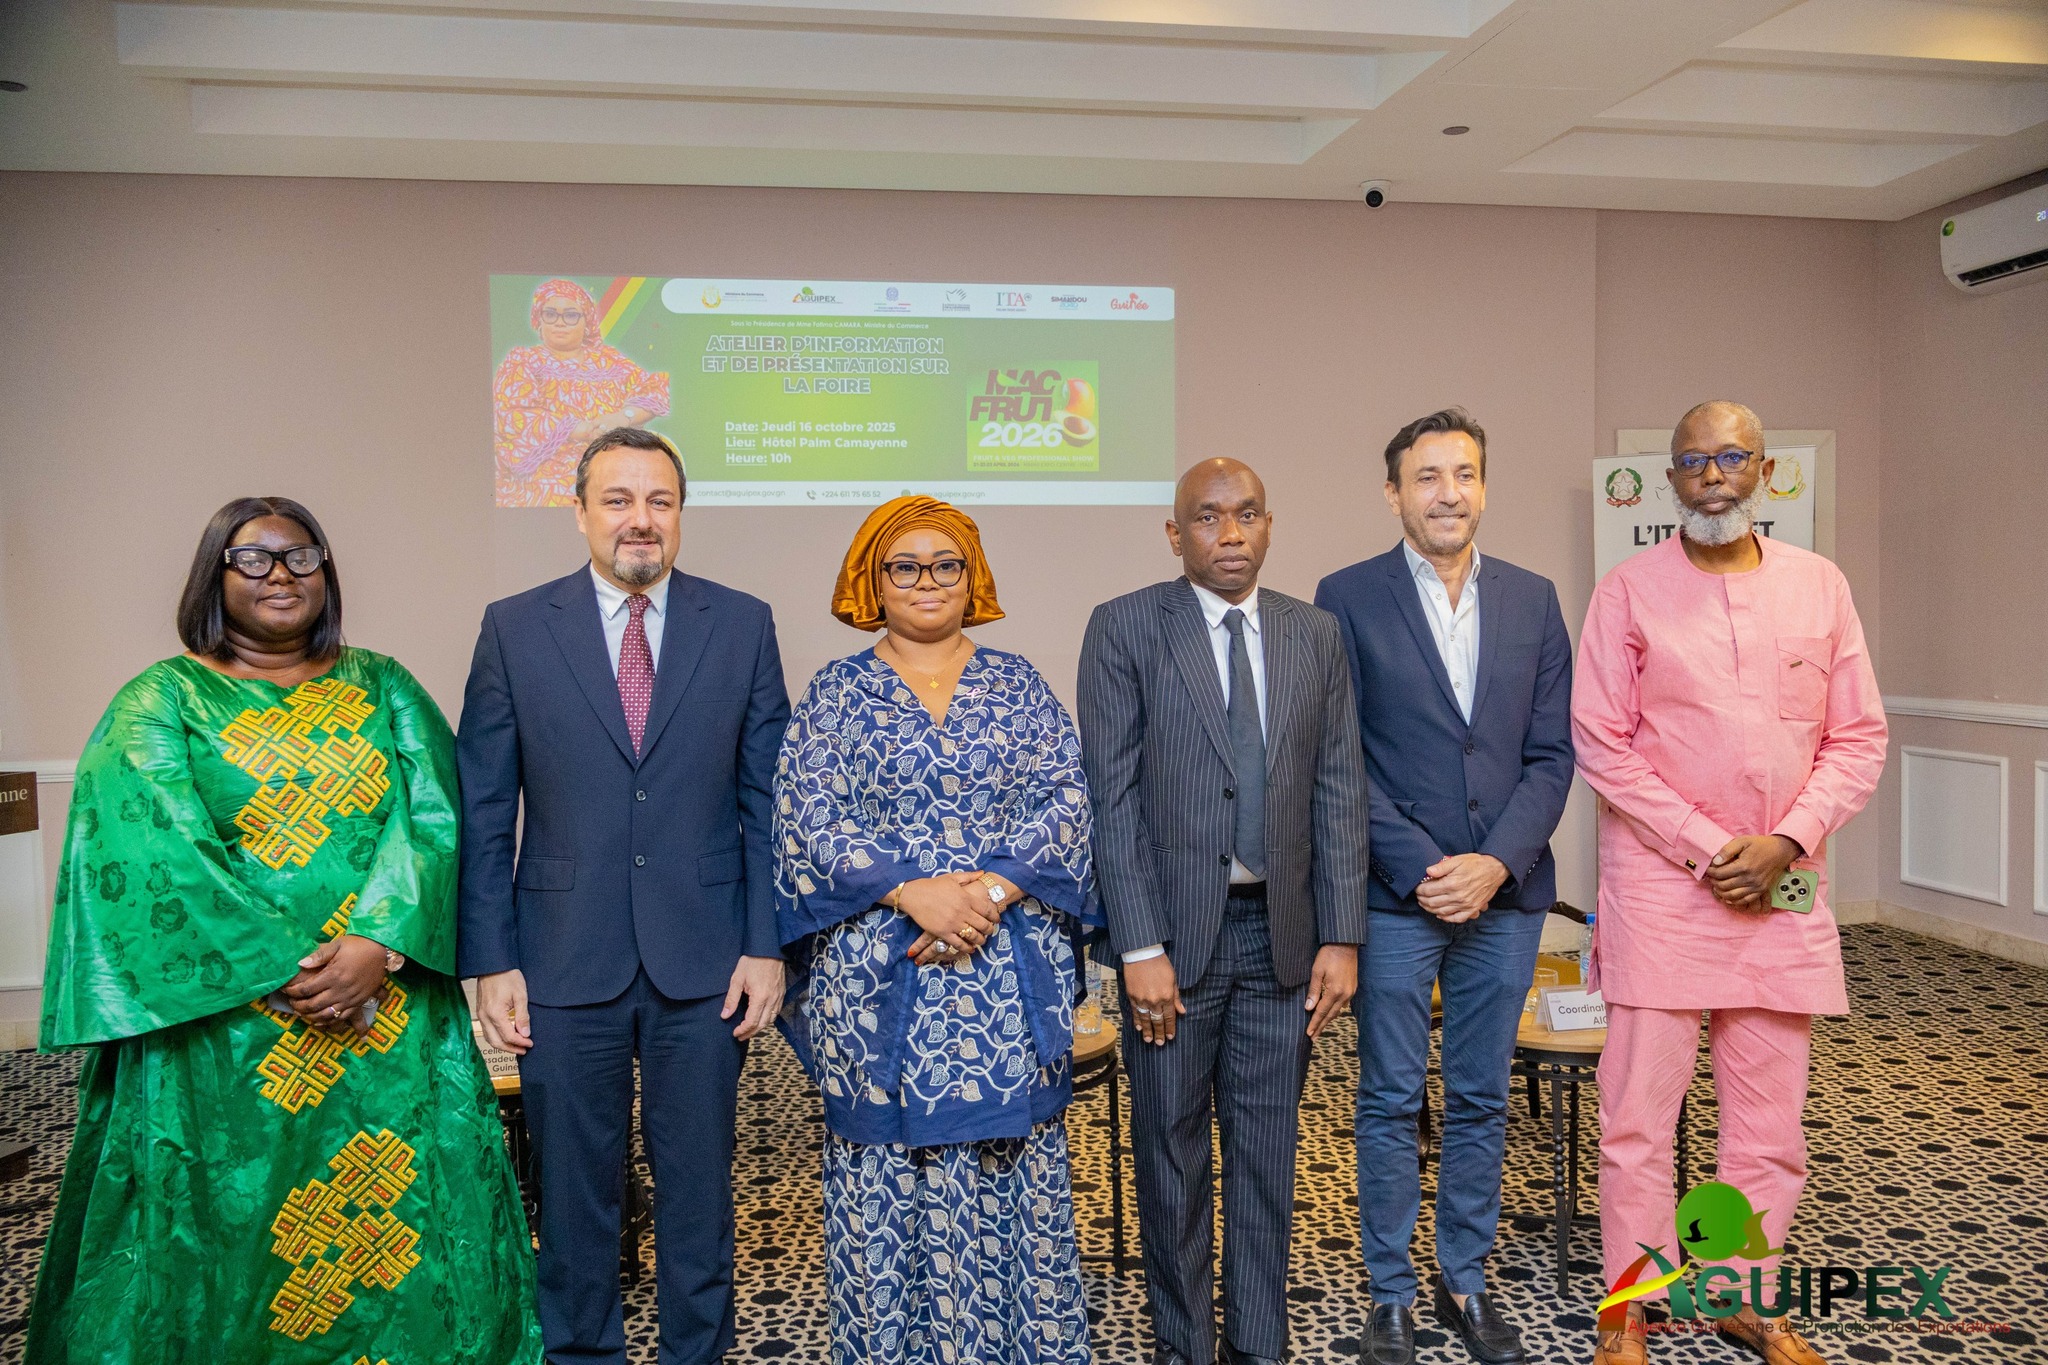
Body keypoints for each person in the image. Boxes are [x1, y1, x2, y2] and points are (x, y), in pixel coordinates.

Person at [25, 497, 542, 1365]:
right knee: (229, 1231)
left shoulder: (385, 685)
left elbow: (435, 820)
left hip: (388, 1026)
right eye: (254, 558)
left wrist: (376, 947)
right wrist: (285, 969)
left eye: (303, 557)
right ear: (214, 574)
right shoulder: (163, 699)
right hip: (223, 1041)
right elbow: (151, 851)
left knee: (407, 1226)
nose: (281, 576)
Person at [457, 428, 790, 1365]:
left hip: (708, 957)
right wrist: (491, 955)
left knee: (699, 1192)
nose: (639, 520)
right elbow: (485, 805)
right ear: (580, 511)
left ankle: (699, 1352)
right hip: (559, 957)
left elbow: (769, 803)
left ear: (680, 515)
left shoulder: (743, 621)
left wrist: (766, 944)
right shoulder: (515, 627)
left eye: (659, 501)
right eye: (618, 499)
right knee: (573, 1195)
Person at [1573, 402, 1887, 1365]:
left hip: (1781, 893)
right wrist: (1713, 845)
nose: (1712, 474)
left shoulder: (1820, 586)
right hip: (1667, 891)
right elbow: (1602, 741)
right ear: (1670, 480)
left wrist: (1787, 840)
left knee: (1767, 1122)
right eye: (1694, 460)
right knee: (1637, 1120)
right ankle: (1631, 1306)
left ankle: (1743, 1294)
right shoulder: (1626, 591)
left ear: (1764, 472)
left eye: (1731, 457)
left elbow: (1857, 736)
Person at [775, 495, 1099, 1365]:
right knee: (886, 1177)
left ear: (972, 576)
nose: (926, 581)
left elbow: (1068, 799)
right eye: (904, 566)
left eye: (945, 564)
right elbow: (808, 818)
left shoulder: (1019, 681)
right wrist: (913, 891)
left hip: (1003, 976)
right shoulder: (836, 693)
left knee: (1011, 1168)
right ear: (871, 582)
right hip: (880, 978)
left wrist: (985, 893)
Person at [1078, 458, 1370, 1365]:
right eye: (1208, 518)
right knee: (1170, 1159)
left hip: (1279, 939)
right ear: (1177, 535)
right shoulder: (1125, 627)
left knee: (1267, 1160)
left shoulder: (1313, 633)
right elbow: (1111, 798)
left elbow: (1338, 789)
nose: (1230, 534)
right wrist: (1138, 944)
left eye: (1247, 515)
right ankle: (1183, 1348)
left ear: (1270, 524)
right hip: (1171, 942)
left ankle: (1257, 1346)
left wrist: (1341, 933)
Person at [1314, 409, 1574, 1365]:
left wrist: (1496, 862)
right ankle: (1390, 1293)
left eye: (1463, 473)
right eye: (1427, 477)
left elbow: (1552, 754)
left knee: (1479, 1094)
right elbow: (1339, 757)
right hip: (1396, 897)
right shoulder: (1344, 597)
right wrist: (1426, 868)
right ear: (1394, 494)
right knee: (1386, 1096)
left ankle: (1464, 1279)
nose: (1448, 492)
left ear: (1483, 485)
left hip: (1506, 897)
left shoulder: (1534, 598)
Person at [493, 277, 672, 507]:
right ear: (538, 320)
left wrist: (620, 418)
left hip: (615, 461)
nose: (559, 322)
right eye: (550, 314)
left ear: (586, 321)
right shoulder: (523, 360)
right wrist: (578, 429)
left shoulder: (609, 360)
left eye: (570, 315)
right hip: (549, 468)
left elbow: (656, 389)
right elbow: (511, 414)